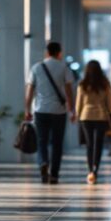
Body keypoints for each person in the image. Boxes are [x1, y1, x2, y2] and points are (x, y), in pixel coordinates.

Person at [25, 41, 75, 184]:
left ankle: (43, 163)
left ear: (46, 52)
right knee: (57, 144)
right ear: (60, 52)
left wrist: (27, 109)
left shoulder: (36, 67)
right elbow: (69, 92)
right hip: (59, 111)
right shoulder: (64, 67)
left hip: (40, 110)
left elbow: (30, 91)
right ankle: (54, 174)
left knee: (42, 141)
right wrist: (72, 110)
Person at [76, 60, 111, 184]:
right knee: (98, 145)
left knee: (89, 145)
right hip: (101, 116)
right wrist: (107, 110)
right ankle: (95, 170)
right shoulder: (105, 84)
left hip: (86, 116)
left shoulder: (82, 84)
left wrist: (78, 115)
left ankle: (89, 172)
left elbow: (78, 105)